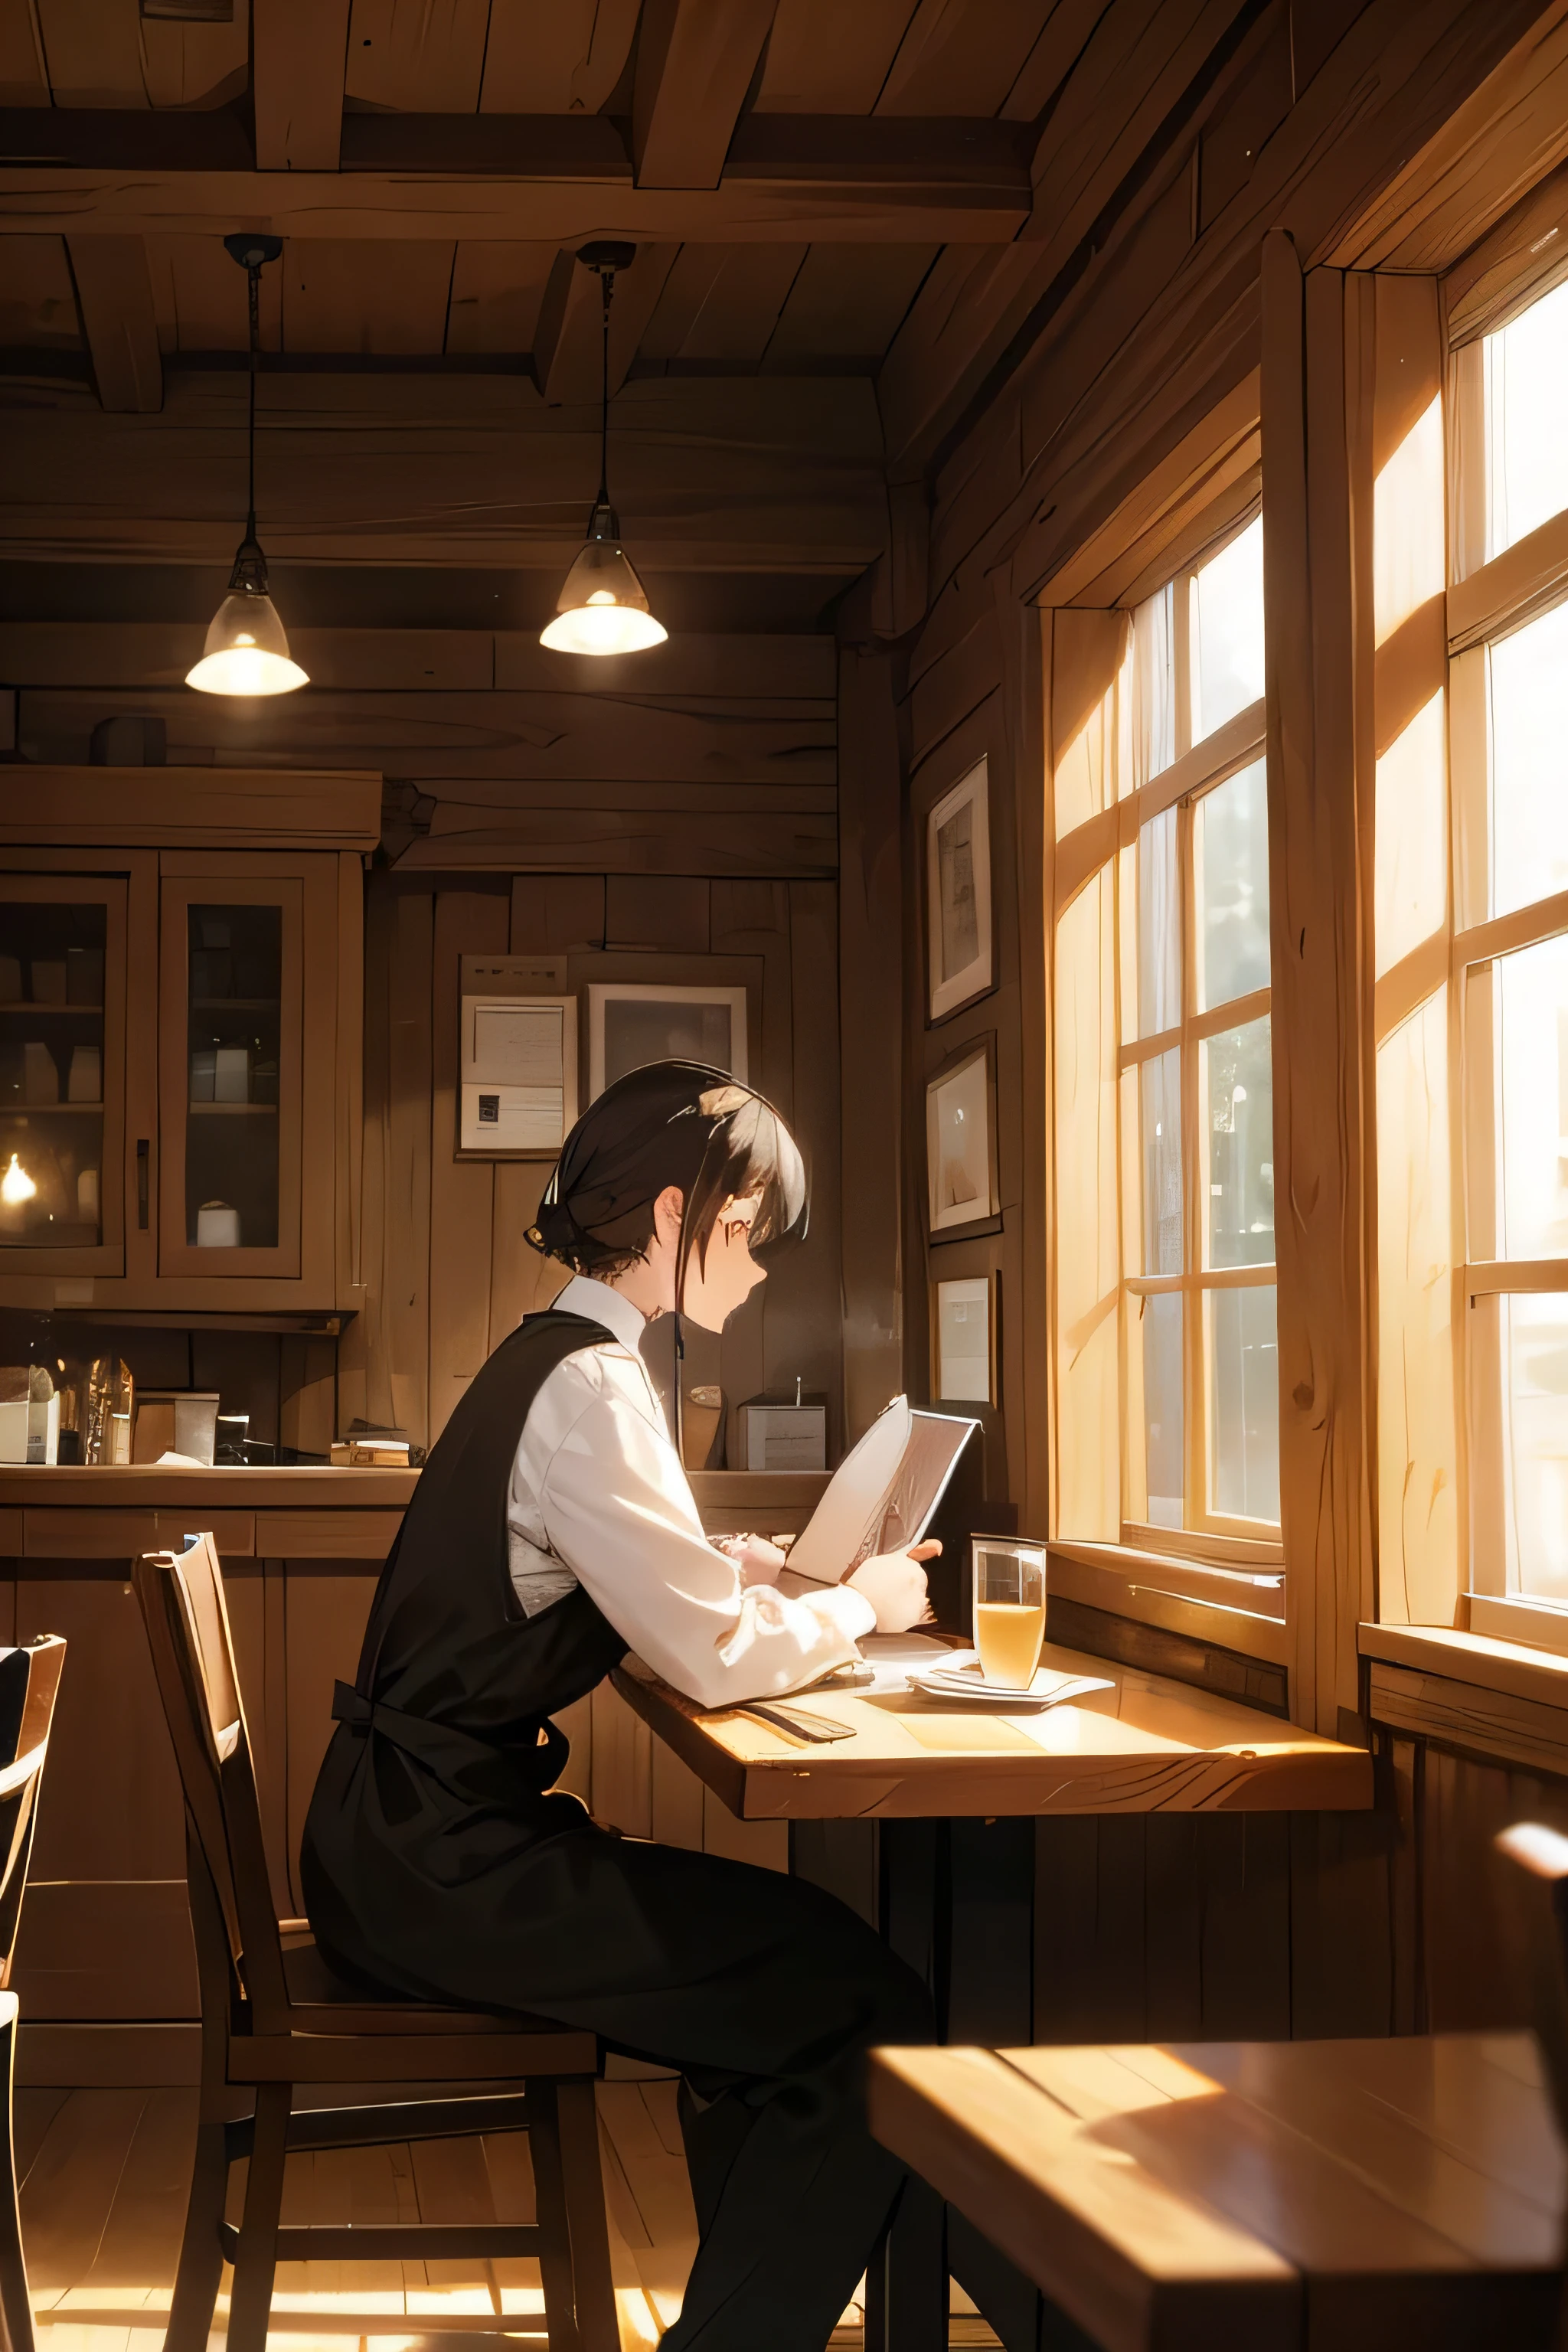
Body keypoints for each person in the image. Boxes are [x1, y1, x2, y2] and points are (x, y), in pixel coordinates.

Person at [301, 1062, 937, 2352]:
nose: (757, 1268)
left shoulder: (562, 1361)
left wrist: (741, 1577)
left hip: (414, 1839)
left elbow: (627, 1586)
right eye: (744, 1231)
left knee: (788, 1990)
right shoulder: (593, 1387)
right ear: (668, 1219)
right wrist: (861, 1604)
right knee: (869, 2009)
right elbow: (705, 1654)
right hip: (439, 1868)